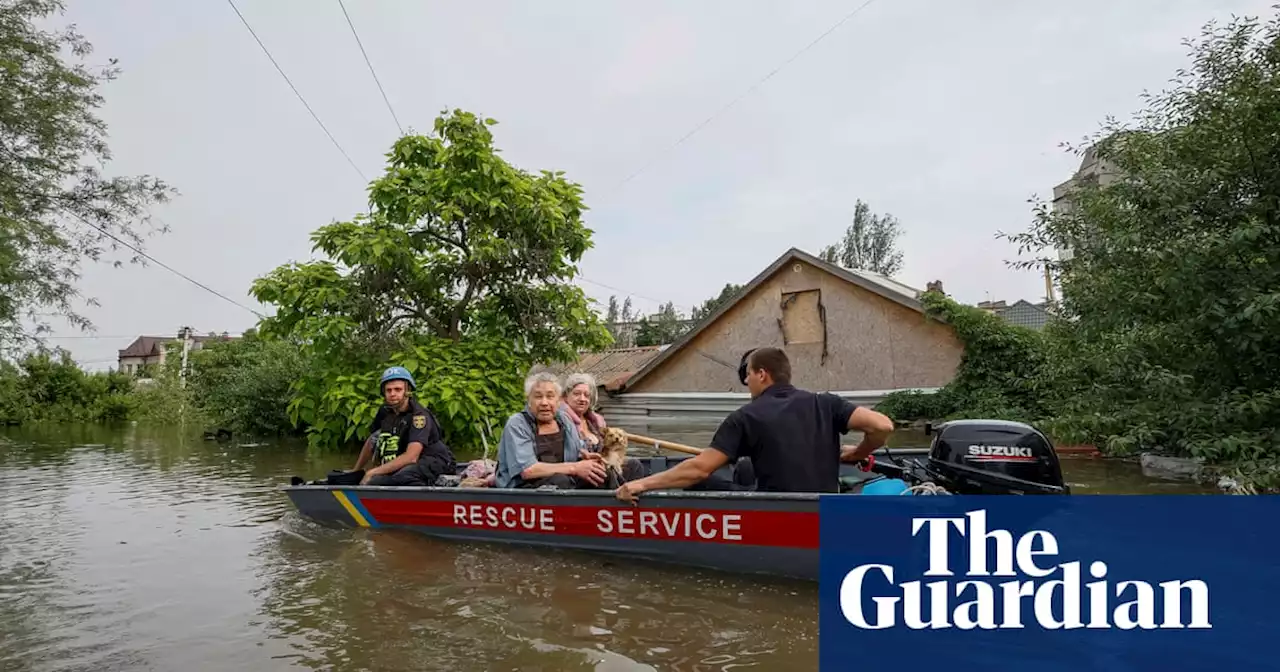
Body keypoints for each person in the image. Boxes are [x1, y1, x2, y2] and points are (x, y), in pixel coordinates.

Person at [614, 346, 894, 502]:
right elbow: (882, 426)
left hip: (778, 511)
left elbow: (698, 469)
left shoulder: (746, 416)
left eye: (747, 374)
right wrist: (857, 454)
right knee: (746, 465)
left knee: (698, 481)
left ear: (762, 374)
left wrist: (641, 484)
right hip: (825, 505)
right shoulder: (826, 403)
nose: (746, 382)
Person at [494, 371, 608, 489]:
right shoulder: (517, 423)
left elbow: (577, 450)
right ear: (529, 400)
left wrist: (586, 457)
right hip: (524, 488)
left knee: (603, 474)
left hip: (564, 480)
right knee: (560, 480)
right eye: (538, 397)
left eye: (550, 396)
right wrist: (575, 467)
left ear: (558, 401)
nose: (544, 403)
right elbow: (527, 470)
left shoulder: (564, 419)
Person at [353, 366, 457, 486]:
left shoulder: (418, 416)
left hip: (435, 461)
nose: (392, 394)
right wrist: (356, 471)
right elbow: (372, 441)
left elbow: (411, 457)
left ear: (407, 391)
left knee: (403, 476)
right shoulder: (384, 412)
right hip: (410, 462)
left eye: (398, 389)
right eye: (389, 390)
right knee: (377, 479)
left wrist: (372, 472)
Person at [561, 372, 646, 483]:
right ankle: (620, 496)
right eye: (577, 394)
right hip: (581, 473)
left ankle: (635, 496)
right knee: (607, 471)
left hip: (603, 466)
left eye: (586, 395)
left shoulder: (595, 424)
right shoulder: (562, 421)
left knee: (634, 465)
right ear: (566, 397)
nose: (582, 399)